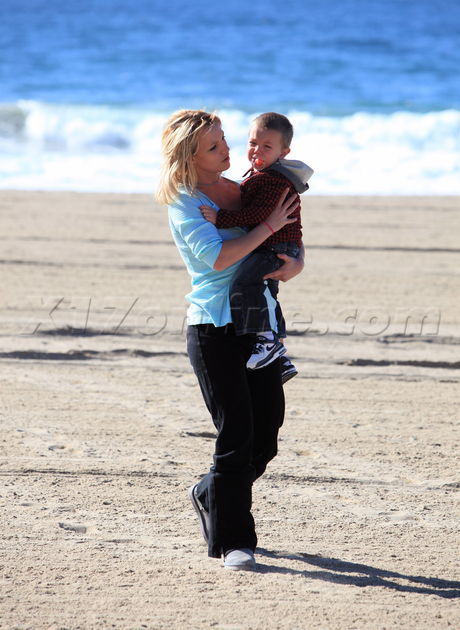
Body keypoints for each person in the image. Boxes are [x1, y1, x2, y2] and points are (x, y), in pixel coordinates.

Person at [156, 109, 304, 571]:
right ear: (191, 157)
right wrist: (267, 227)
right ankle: (235, 542)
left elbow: (286, 231)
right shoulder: (185, 202)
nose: (228, 149)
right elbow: (219, 258)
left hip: (258, 324)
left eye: (224, 139)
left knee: (267, 436)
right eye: (215, 146)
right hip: (213, 328)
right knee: (237, 434)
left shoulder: (244, 190)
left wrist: (296, 263)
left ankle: (210, 491)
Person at [200, 112, 313, 382]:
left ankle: (266, 341)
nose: (257, 151)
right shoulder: (261, 176)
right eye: (252, 143)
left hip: (275, 248)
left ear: (283, 153)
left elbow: (256, 215)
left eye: (267, 146)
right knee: (267, 294)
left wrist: (220, 218)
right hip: (278, 246)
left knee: (245, 283)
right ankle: (279, 353)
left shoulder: (271, 180)